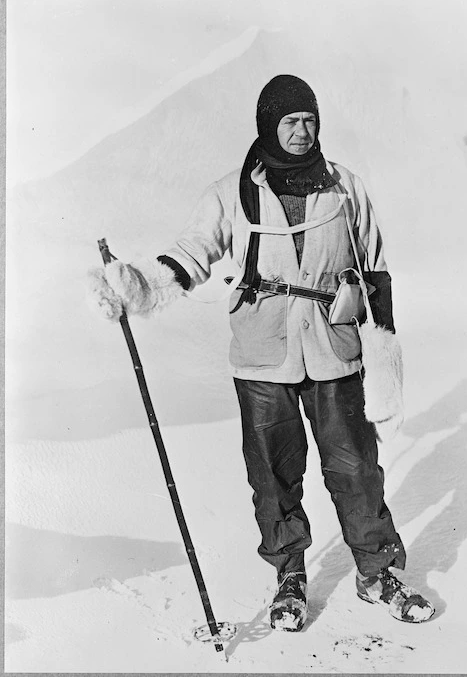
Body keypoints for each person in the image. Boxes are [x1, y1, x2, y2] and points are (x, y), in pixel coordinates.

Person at [89, 74, 434, 631]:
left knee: (355, 468)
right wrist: (139, 285)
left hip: (333, 348)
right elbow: (192, 253)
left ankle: (379, 571)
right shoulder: (232, 193)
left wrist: (385, 349)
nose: (301, 131)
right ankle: (291, 577)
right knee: (273, 474)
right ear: (268, 125)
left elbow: (376, 270)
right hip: (262, 354)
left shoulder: (346, 189)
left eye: (309, 120)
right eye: (290, 121)